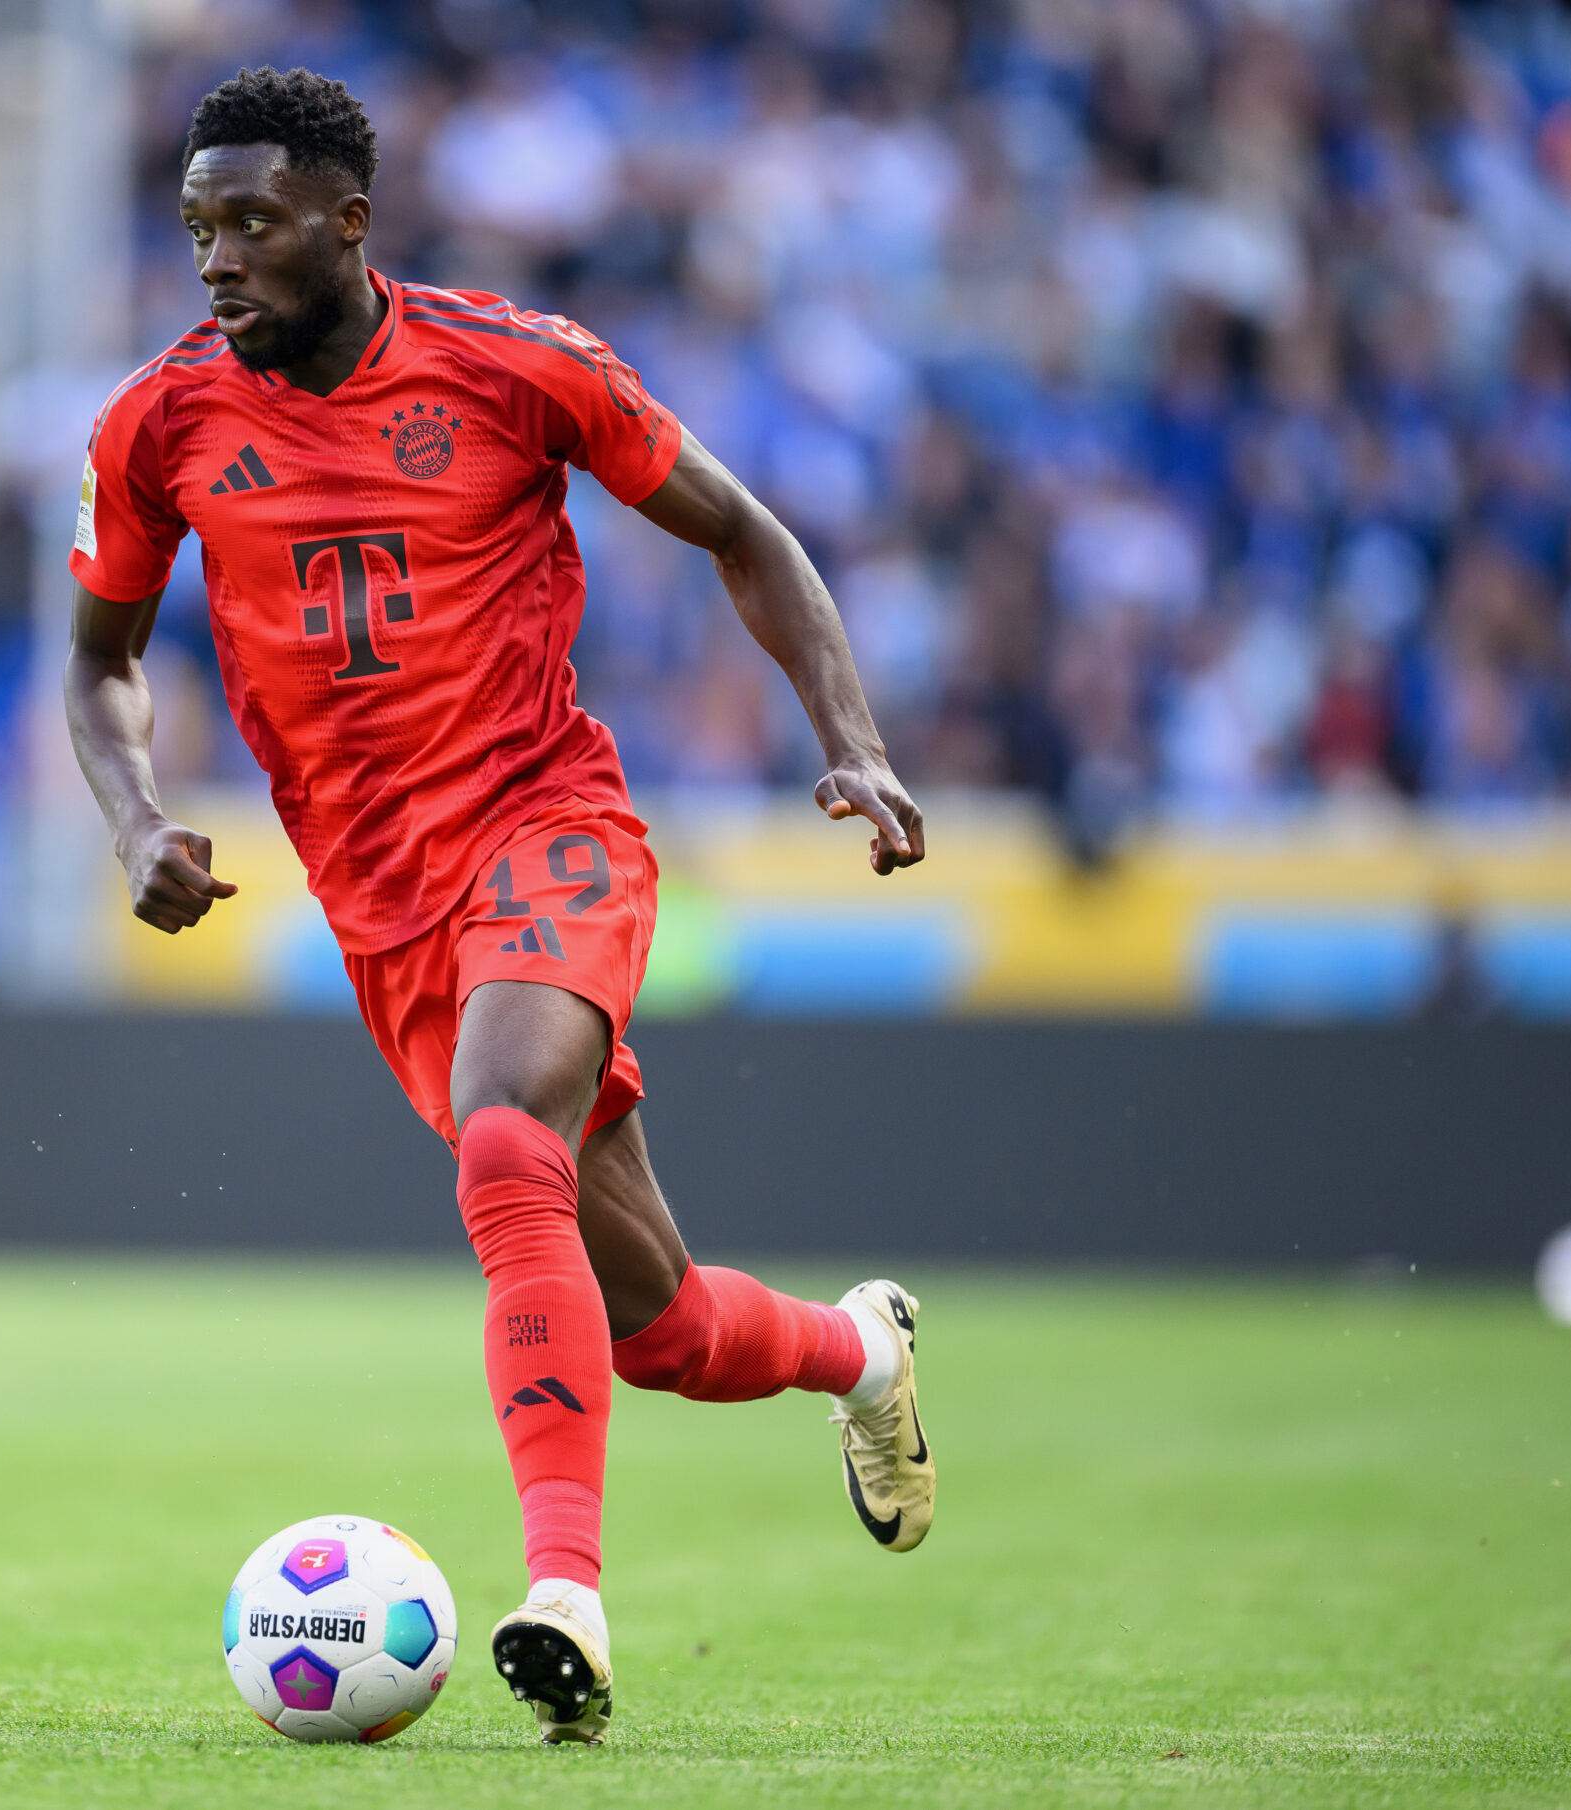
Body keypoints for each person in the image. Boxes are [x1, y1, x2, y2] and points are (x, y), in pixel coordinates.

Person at [64, 66, 932, 1745]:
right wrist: (134, 817)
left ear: (348, 220)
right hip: (381, 911)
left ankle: (566, 1596)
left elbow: (744, 531)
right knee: (663, 1326)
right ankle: (862, 1353)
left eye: (252, 224)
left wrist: (855, 743)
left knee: (503, 1149)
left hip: (548, 823)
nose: (218, 260)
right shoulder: (159, 425)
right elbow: (100, 665)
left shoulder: (515, 365)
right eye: (197, 228)